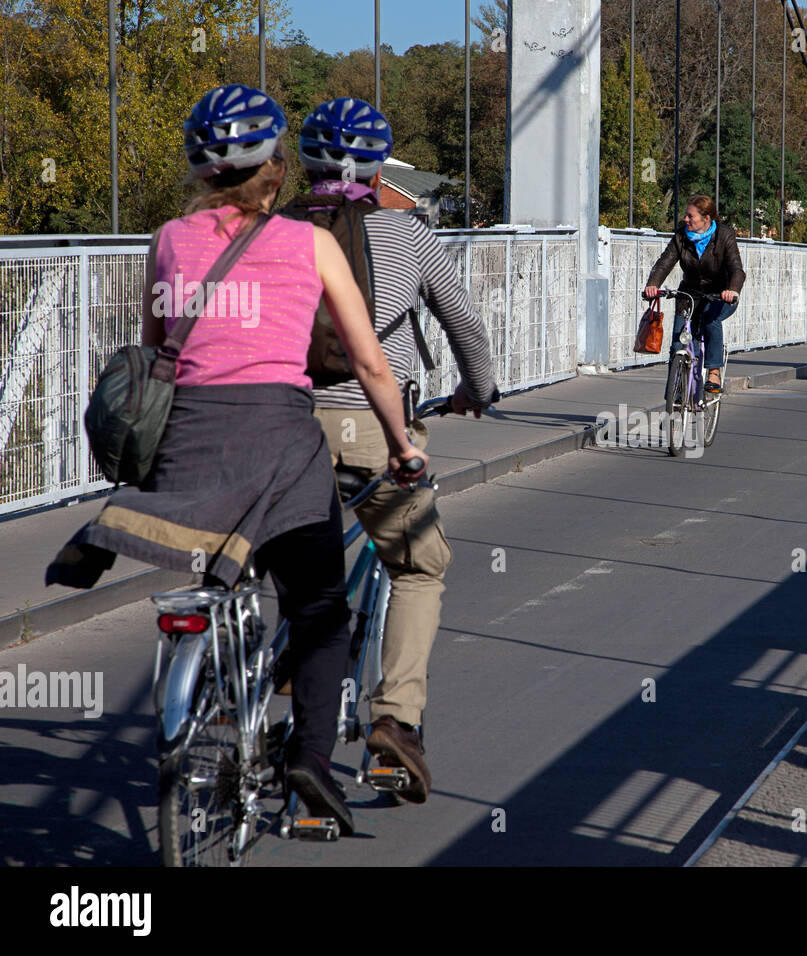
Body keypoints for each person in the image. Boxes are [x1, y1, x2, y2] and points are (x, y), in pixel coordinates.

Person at [46, 84, 428, 836]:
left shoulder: (167, 239)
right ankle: (311, 762)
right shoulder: (312, 244)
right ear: (275, 170)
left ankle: (210, 651)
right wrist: (402, 447)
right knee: (320, 609)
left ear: (201, 171)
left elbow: (161, 351)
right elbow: (370, 364)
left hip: (188, 445)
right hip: (280, 446)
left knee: (222, 559)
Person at [288, 96, 497, 803]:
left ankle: (285, 667)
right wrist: (479, 388)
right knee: (417, 563)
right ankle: (396, 722)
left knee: (294, 561)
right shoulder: (407, 235)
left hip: (281, 428)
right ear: (380, 168)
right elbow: (463, 321)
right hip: (376, 430)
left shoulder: (268, 230)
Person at [643, 195, 745, 393]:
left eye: (690, 216)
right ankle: (677, 397)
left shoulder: (724, 236)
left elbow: (736, 268)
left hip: (720, 294)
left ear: (706, 218)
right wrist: (652, 285)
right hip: (689, 294)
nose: (685, 219)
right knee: (678, 344)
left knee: (709, 320)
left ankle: (714, 370)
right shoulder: (682, 236)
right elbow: (665, 262)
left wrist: (732, 289)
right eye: (686, 216)